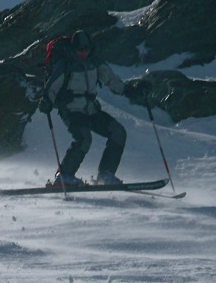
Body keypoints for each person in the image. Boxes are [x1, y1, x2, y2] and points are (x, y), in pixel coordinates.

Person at [39, 30, 148, 186]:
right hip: (71, 110)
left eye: (86, 49)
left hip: (91, 110)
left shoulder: (95, 62)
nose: (84, 53)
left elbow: (112, 80)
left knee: (118, 132)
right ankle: (64, 177)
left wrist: (131, 91)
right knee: (84, 139)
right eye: (80, 49)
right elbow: (52, 86)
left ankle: (106, 175)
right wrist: (47, 101)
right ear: (74, 49)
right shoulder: (65, 64)